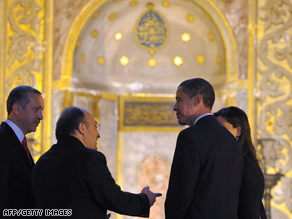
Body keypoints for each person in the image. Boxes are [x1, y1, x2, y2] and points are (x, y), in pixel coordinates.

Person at [31, 106, 162, 219]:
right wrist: (144, 200)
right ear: (82, 128)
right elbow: (113, 198)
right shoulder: (89, 158)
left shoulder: (42, 162)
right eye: (95, 126)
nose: (98, 134)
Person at [165, 78, 244, 219]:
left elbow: (181, 192)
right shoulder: (231, 140)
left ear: (197, 100)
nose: (175, 107)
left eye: (179, 100)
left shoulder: (190, 137)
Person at [214, 106, 267, 219]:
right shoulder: (227, 163)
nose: (216, 135)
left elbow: (249, 211)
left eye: (221, 129)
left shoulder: (247, 166)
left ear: (238, 131)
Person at [0, 85, 44, 211]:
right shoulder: (2, 140)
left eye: (42, 110)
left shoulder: (18, 141)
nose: (41, 116)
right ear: (17, 109)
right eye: (36, 109)